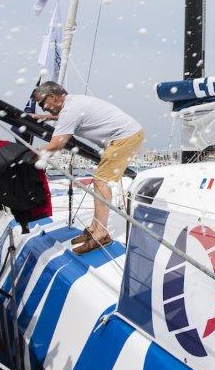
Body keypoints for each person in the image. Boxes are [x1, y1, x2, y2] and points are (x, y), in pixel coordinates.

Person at [32, 82, 143, 254]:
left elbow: (56, 145)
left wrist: (32, 152)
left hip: (124, 138)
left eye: (42, 103)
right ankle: (94, 228)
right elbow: (77, 118)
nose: (44, 109)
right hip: (128, 134)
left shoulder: (70, 111)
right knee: (100, 181)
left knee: (101, 181)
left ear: (53, 97)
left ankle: (101, 234)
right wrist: (50, 118)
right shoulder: (73, 103)